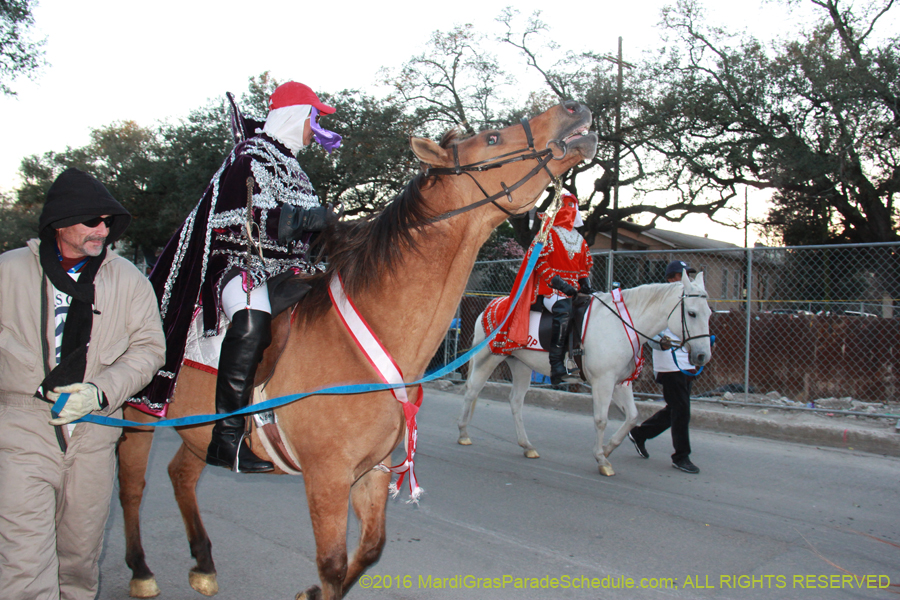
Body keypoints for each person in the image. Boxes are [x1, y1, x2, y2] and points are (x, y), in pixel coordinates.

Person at [134, 81, 342, 473]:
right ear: (295, 115)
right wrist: (303, 219)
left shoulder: (295, 168)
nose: (315, 130)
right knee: (251, 322)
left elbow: (305, 230)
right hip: (238, 263)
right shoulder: (250, 157)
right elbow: (237, 220)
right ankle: (226, 437)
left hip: (287, 268)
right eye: (313, 119)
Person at [0, 168, 166, 600]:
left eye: (108, 222)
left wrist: (101, 390)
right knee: (23, 563)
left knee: (78, 561)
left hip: (95, 433)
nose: (103, 230)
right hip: (22, 432)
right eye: (93, 220)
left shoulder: (127, 278)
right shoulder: (9, 271)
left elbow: (150, 349)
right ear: (61, 222)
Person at [628, 259, 701, 474]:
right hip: (669, 363)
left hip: (685, 361)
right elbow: (648, 330)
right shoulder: (661, 302)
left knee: (675, 409)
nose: (688, 279)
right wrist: (658, 341)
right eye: (683, 275)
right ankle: (681, 456)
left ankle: (640, 434)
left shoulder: (686, 301)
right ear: (671, 279)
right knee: (681, 410)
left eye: (689, 274)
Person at [533, 193, 593, 384]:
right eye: (564, 205)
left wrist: (586, 284)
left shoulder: (579, 239)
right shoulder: (548, 233)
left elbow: (582, 268)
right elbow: (540, 263)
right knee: (564, 311)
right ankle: (556, 365)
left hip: (574, 290)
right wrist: (559, 283)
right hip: (552, 289)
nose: (569, 209)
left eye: (572, 205)